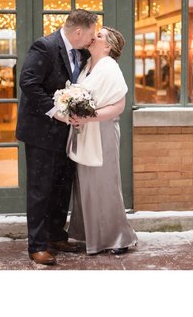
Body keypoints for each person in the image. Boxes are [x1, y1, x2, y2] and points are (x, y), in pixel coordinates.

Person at [16, 9, 97, 265]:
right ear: (78, 32)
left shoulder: (82, 53)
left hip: (67, 133)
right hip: (41, 132)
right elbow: (28, 83)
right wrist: (55, 112)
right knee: (41, 190)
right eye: (91, 34)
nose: (92, 39)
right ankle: (37, 245)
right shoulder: (45, 47)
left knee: (62, 186)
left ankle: (56, 235)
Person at [66, 26, 139, 255]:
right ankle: (90, 235)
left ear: (107, 46)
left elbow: (119, 106)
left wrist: (88, 117)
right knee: (86, 185)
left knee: (105, 184)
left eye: (98, 36)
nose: (92, 36)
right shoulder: (87, 66)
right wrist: (76, 117)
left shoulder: (110, 67)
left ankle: (118, 238)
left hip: (103, 132)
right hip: (86, 131)